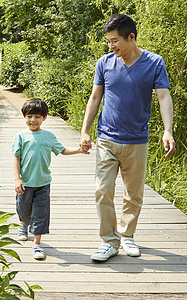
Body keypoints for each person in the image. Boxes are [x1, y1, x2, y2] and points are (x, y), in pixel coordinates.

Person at [79, 14, 175, 262]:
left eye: (114, 41)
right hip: (107, 139)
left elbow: (164, 97)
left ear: (131, 37)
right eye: (108, 41)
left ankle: (127, 235)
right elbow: (95, 98)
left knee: (133, 194)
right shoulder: (105, 63)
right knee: (102, 190)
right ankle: (109, 242)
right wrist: (84, 130)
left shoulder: (154, 63)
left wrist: (168, 130)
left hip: (137, 140)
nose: (111, 46)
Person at [13, 98, 83, 260]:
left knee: (41, 213)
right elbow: (16, 158)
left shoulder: (48, 136)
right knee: (23, 209)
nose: (33, 120)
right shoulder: (21, 137)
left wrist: (79, 150)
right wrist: (17, 179)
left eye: (37, 116)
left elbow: (63, 150)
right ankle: (23, 224)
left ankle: (37, 244)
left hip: (43, 183)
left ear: (44, 118)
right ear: (24, 117)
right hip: (25, 183)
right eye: (29, 116)